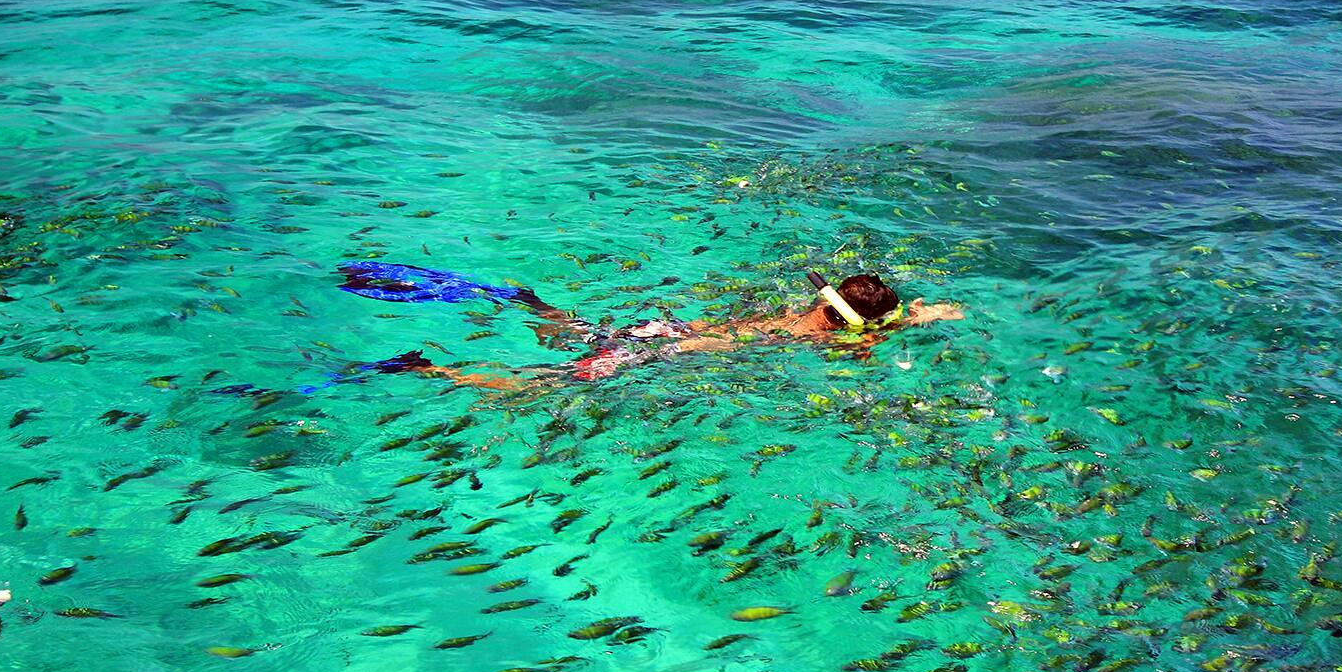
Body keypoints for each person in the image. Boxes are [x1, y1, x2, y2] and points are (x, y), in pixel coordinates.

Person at [399, 273, 962, 390]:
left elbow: (867, 323)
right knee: (542, 384)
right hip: (652, 354)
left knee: (574, 325)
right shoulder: (820, 336)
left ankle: (521, 298)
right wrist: (915, 319)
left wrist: (912, 314)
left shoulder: (808, 317)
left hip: (660, 328)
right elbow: (864, 348)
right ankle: (431, 370)